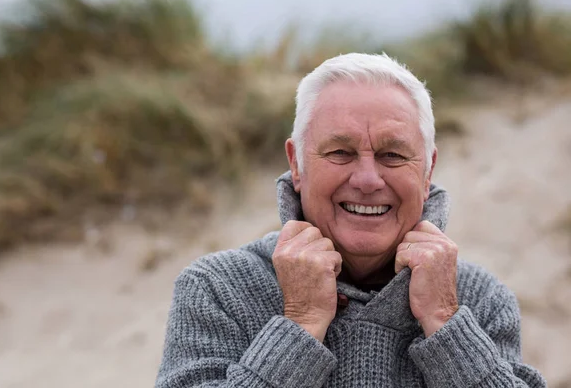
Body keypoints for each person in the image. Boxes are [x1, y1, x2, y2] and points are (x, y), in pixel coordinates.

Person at [155, 53, 546, 387]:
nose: (367, 180)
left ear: (427, 173)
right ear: (297, 163)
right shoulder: (218, 288)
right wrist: (300, 325)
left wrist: (445, 322)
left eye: (392, 155)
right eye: (340, 152)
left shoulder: (480, 300)